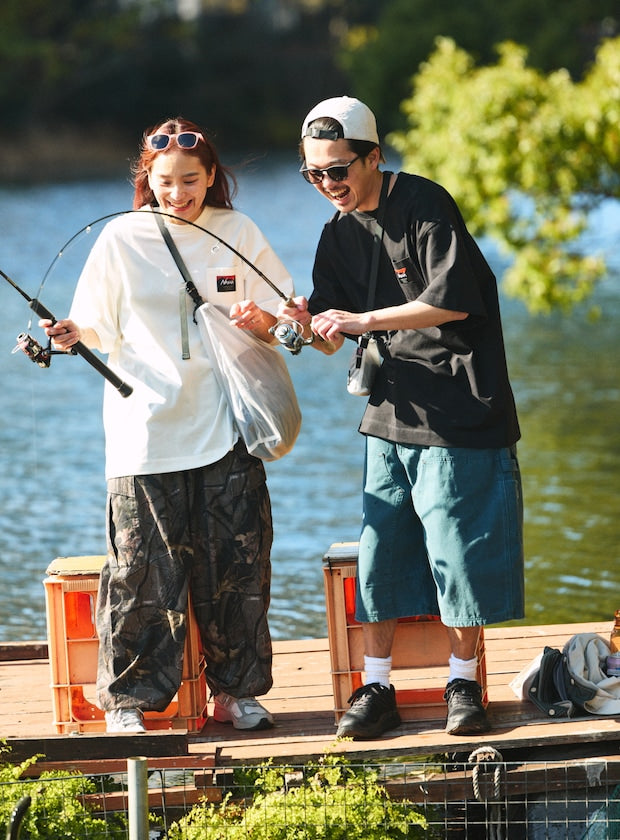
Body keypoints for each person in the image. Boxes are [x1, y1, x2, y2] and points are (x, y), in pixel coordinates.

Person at [278, 96, 524, 739]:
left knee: (458, 555)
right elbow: (333, 334)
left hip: (459, 409)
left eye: (338, 169)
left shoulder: (424, 203)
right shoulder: (336, 233)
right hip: (389, 412)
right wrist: (301, 325)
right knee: (381, 552)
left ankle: (464, 683)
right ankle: (376, 687)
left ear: (374, 157)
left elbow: (449, 302)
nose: (327, 185)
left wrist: (363, 321)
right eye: (313, 174)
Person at [41, 117, 294, 733]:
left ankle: (236, 693)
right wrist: (73, 336)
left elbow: (286, 311)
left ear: (211, 176)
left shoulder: (237, 231)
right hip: (144, 428)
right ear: (146, 180)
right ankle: (127, 701)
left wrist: (264, 317)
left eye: (190, 179)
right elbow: (93, 322)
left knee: (236, 566)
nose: (177, 193)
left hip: (227, 425)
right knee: (139, 571)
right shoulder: (121, 238)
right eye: (164, 182)